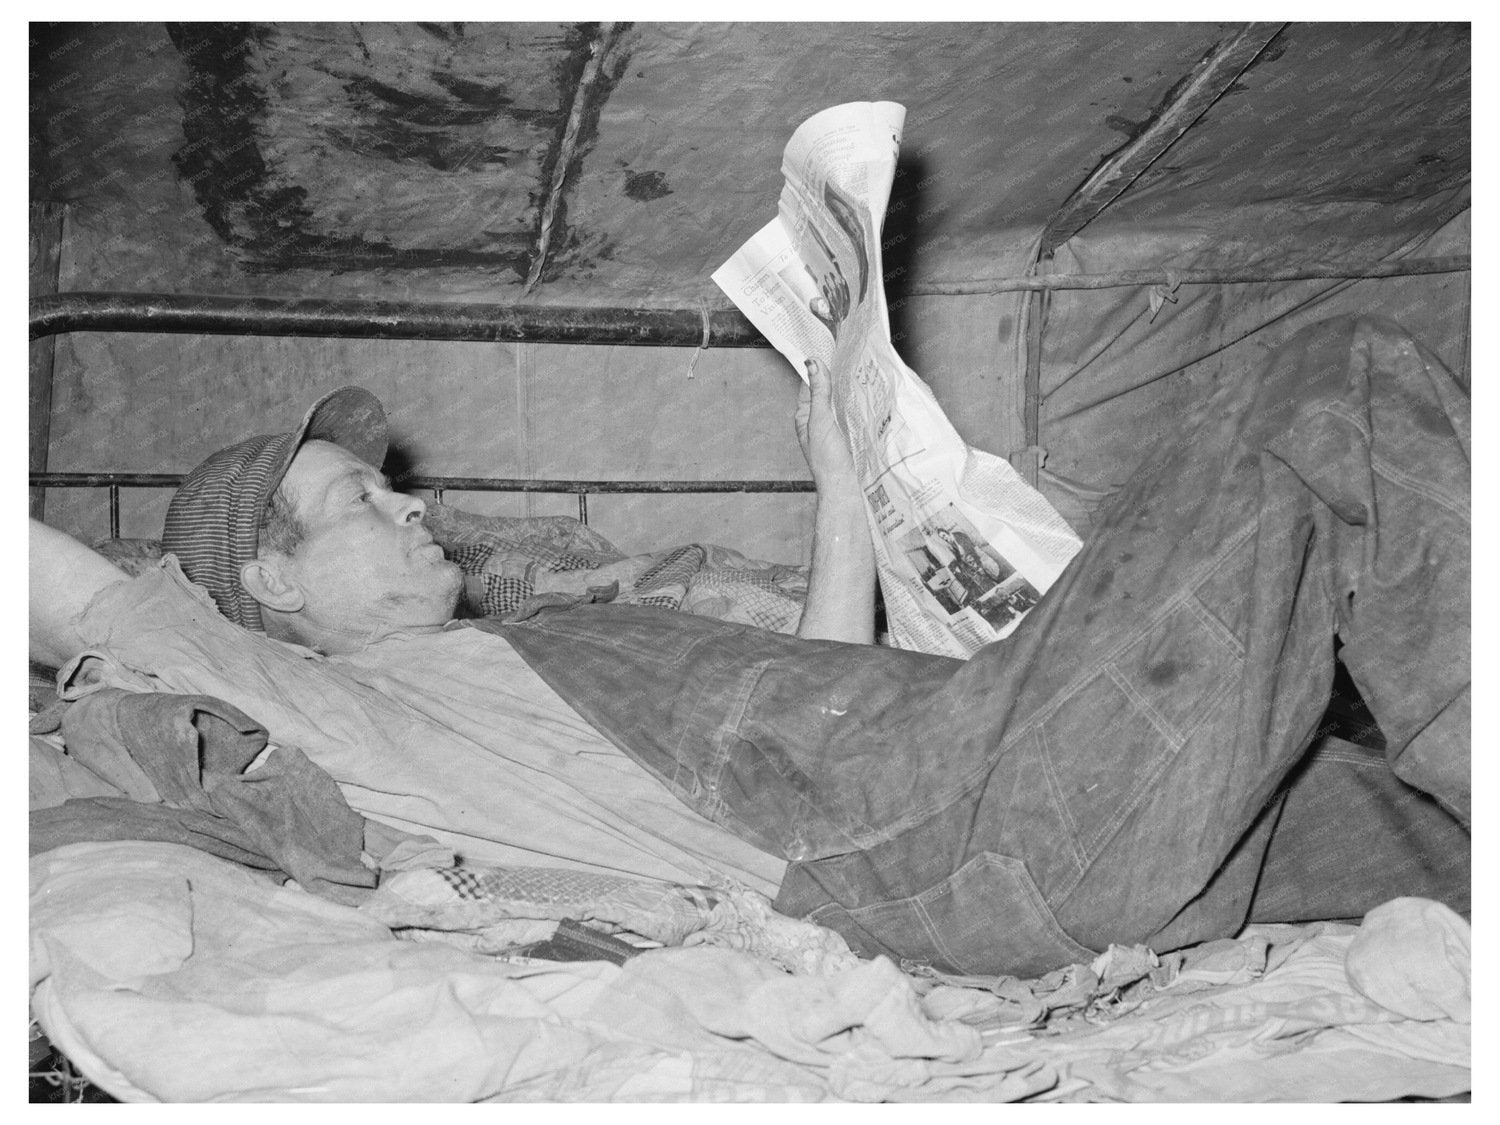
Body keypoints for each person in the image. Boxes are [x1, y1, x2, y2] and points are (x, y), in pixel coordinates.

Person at [29, 315, 1469, 977]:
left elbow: (818, 701)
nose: (411, 502)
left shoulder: (532, 656)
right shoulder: (337, 705)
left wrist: (837, 480)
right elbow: (71, 594)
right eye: (360, 498)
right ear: (265, 582)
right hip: (966, 824)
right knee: (1329, 383)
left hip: (948, 796)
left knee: (1411, 821)